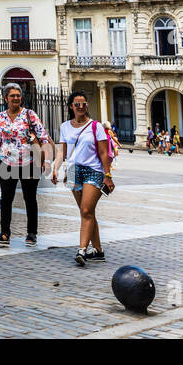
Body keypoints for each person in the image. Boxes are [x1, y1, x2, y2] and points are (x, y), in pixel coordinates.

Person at [52, 91, 114, 265]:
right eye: (77, 104)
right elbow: (62, 151)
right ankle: (99, 251)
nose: (80, 107)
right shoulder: (65, 126)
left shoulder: (96, 126)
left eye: (83, 104)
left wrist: (108, 175)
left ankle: (82, 250)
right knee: (87, 212)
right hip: (73, 171)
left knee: (86, 211)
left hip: (93, 171)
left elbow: (103, 153)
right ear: (71, 107)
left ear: (87, 106)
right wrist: (55, 169)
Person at [0, 82, 52, 247]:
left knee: (30, 199)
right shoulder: (0, 117)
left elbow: (43, 137)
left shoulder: (29, 114)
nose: (16, 98)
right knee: (6, 199)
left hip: (29, 163)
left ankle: (31, 234)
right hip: (6, 162)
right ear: (6, 98)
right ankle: (5, 233)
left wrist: (46, 161)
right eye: (12, 95)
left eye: (18, 95)